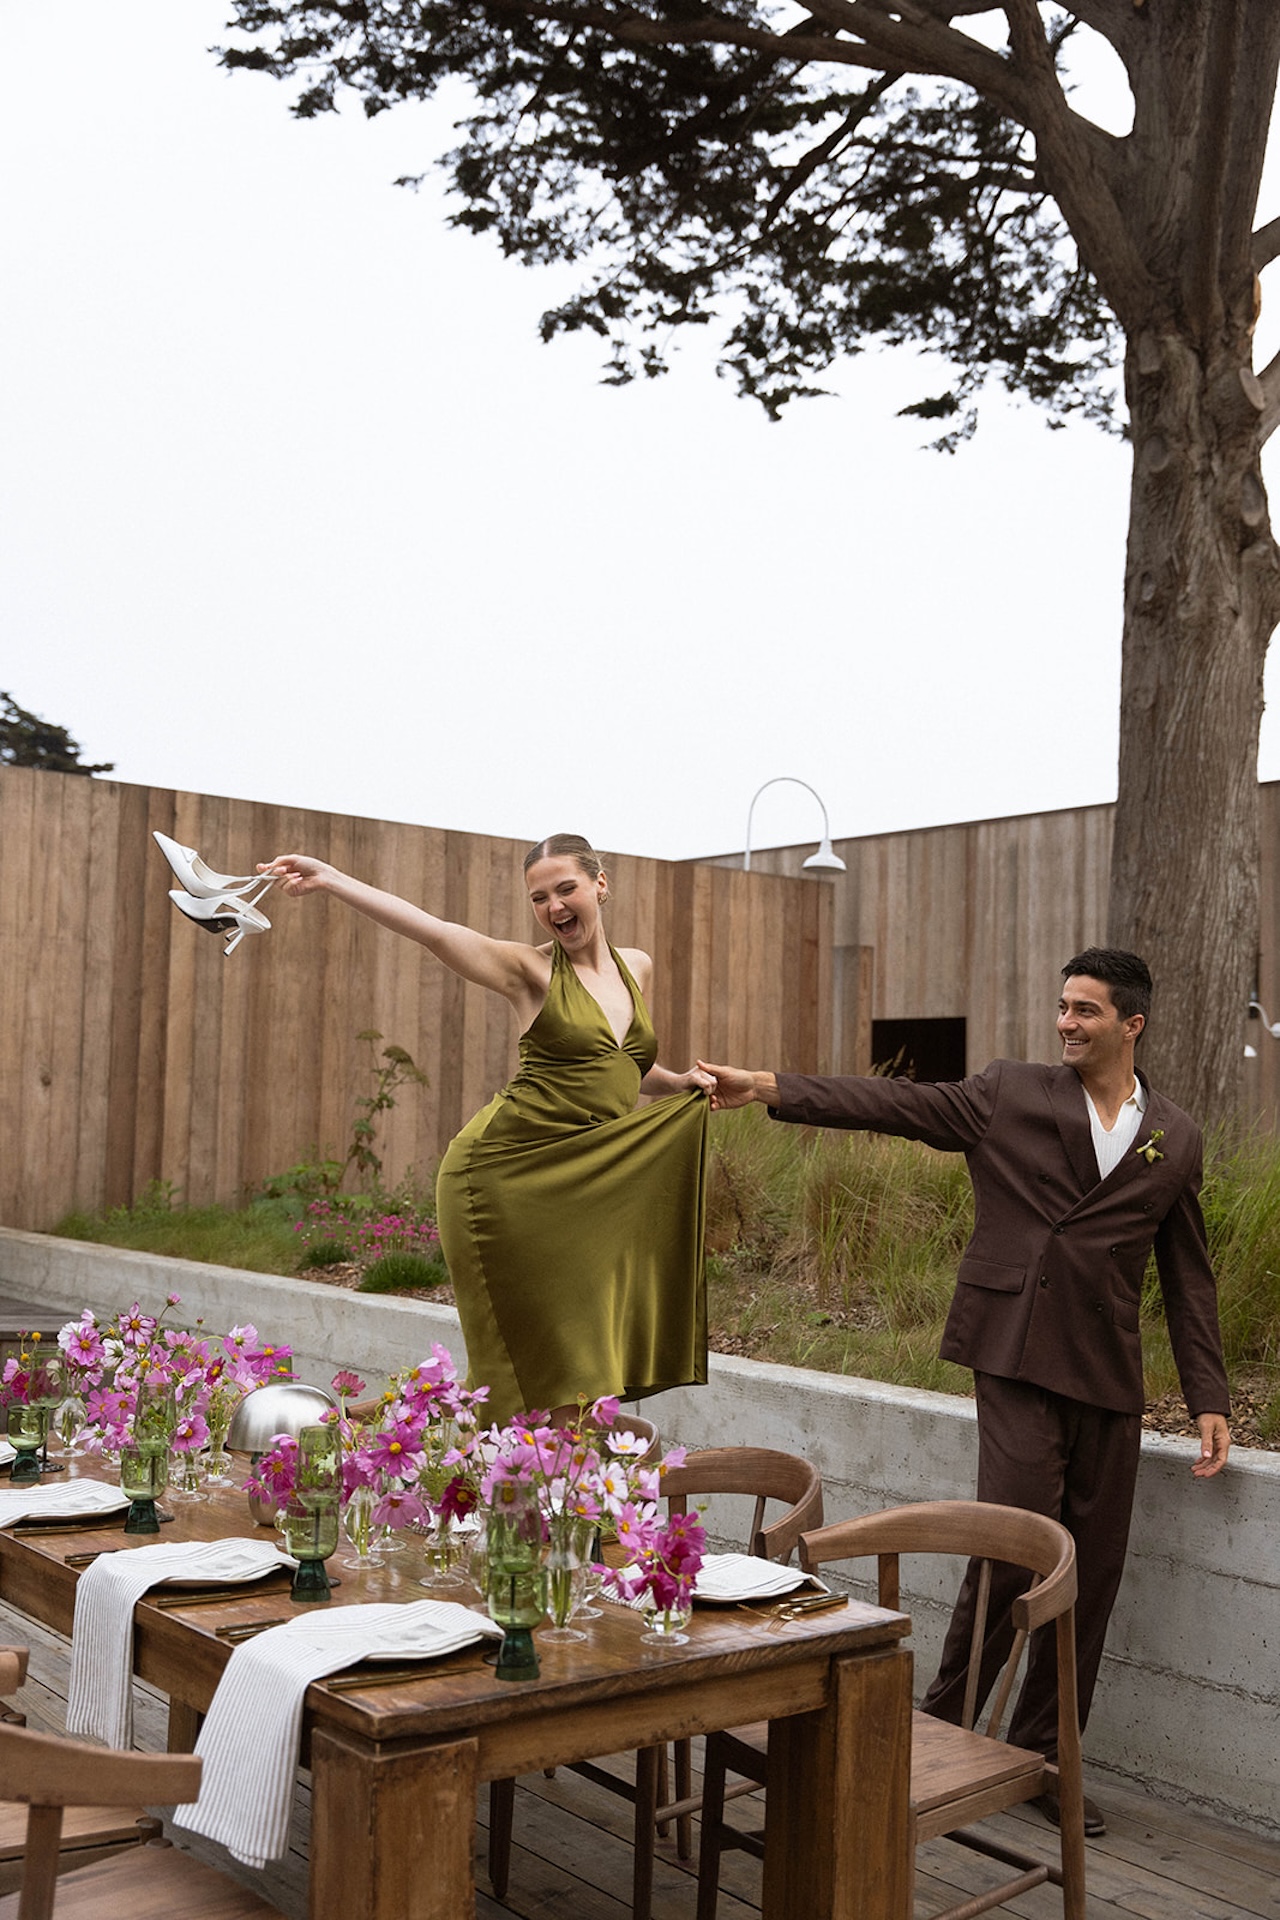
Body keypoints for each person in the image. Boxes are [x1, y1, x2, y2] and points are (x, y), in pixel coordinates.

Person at [701, 947, 1230, 1836]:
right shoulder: (1010, 1092)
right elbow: (896, 1106)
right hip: (1016, 1350)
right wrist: (765, 1085)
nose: (1066, 1021)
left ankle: (1044, 1756)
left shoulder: (1172, 1133)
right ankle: (939, 1732)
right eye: (1063, 1005)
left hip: (1108, 1374)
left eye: (1086, 1011)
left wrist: (1207, 1394)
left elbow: (1189, 1274)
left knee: (1090, 1574)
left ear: (1132, 1024)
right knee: (1010, 1547)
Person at [261, 834, 713, 1423]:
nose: (554, 907)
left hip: (582, 1183)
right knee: (514, 1363)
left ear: (601, 884)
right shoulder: (528, 970)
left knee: (571, 1358)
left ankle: (357, 1439)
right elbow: (435, 930)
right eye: (539, 897)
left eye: (566, 889)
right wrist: (331, 877)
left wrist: (676, 1082)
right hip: (500, 1174)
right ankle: (368, 1457)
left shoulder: (636, 968)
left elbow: (619, 1063)